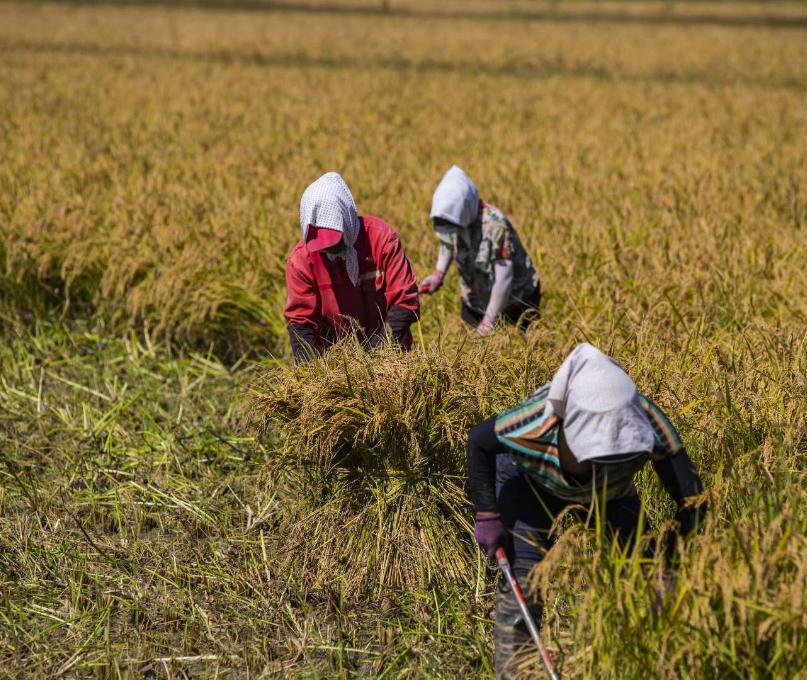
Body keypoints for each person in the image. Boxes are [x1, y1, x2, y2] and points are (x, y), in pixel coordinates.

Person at [466, 343, 705, 677]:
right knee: (524, 582)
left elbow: (693, 499)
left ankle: (653, 664)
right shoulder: (535, 422)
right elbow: (478, 441)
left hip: (611, 496)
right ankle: (516, 671)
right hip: (533, 485)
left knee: (651, 578)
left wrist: (672, 558)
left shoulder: (645, 419)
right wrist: (487, 515)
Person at [284, 172, 420, 363]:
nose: (330, 250)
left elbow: (405, 302)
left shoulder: (382, 240)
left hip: (390, 358)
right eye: (323, 246)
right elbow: (301, 322)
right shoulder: (301, 262)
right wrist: (309, 372)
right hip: (335, 365)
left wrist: (377, 356)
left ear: (346, 220)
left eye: (334, 241)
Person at [418, 166, 541, 334]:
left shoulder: (495, 225)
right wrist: (438, 274)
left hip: (516, 302)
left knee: (519, 346)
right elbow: (447, 243)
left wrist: (489, 320)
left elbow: (504, 277)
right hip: (476, 302)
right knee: (471, 345)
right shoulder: (452, 221)